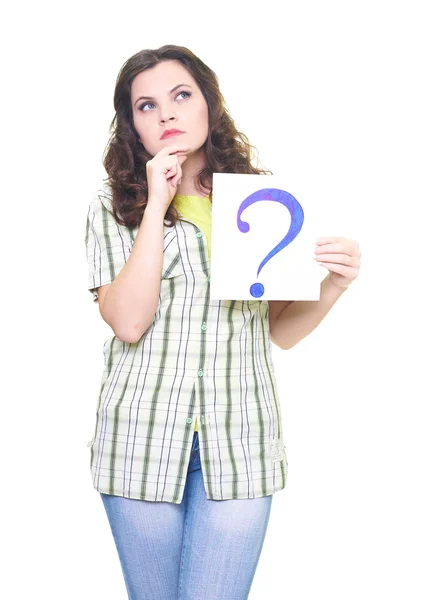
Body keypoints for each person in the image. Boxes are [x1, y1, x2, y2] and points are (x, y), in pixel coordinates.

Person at [85, 44, 359, 600]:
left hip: (241, 441)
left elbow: (277, 331)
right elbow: (128, 322)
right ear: (131, 126)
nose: (166, 114)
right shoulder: (114, 203)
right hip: (140, 436)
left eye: (181, 95)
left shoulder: (259, 200)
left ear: (209, 104)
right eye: (146, 105)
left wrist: (333, 284)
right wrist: (158, 202)